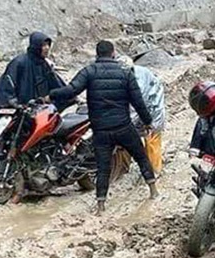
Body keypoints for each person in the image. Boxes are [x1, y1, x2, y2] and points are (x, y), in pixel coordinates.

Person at [49, 40, 157, 214]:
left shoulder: (89, 71)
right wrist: (148, 121)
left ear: (97, 54)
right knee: (141, 156)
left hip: (101, 131)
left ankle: (101, 206)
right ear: (113, 53)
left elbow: (71, 90)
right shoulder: (125, 73)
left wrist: (51, 95)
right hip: (123, 126)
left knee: (103, 167)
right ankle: (153, 190)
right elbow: (138, 102)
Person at [0, 31, 66, 140]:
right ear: (36, 46)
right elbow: (7, 84)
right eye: (43, 45)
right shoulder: (19, 63)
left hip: (38, 109)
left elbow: (56, 83)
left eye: (48, 45)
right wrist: (14, 103)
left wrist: (67, 94)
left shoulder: (44, 64)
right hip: (22, 110)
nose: (46, 48)